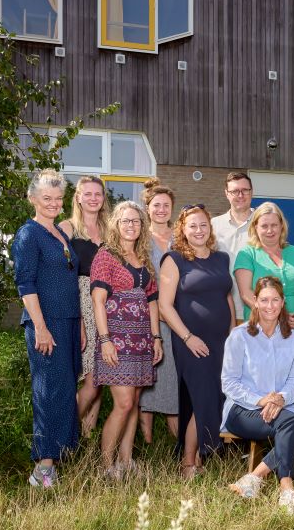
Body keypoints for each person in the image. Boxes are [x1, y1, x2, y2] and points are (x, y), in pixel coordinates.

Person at [222, 277, 294, 515]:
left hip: (281, 409)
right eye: (264, 300)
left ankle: (254, 478)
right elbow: (229, 382)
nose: (270, 305)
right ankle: (287, 489)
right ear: (255, 302)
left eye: (275, 300)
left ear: (283, 302)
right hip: (242, 409)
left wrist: (280, 399)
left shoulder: (293, 338)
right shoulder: (240, 335)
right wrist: (262, 400)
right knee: (292, 421)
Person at [12, 169, 82, 488]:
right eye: (46, 199)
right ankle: (42, 467)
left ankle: (57, 456)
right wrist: (40, 327)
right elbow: (25, 284)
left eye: (57, 198)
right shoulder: (29, 233)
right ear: (33, 199)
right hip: (46, 324)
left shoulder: (61, 234)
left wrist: (78, 324)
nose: (53, 203)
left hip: (68, 322)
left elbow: (69, 280)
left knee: (66, 390)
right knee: (48, 391)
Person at [159, 204, 236, 479]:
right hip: (191, 342)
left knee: (216, 396)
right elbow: (165, 306)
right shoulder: (174, 259)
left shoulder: (221, 259)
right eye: (192, 225)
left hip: (221, 342)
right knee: (203, 398)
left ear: (210, 228)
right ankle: (188, 463)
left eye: (203, 224)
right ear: (183, 229)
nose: (199, 230)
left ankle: (199, 457)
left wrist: (232, 336)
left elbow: (226, 298)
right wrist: (188, 338)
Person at [90, 201, 163, 479]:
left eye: (136, 221)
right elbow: (98, 301)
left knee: (133, 402)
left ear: (142, 226)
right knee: (122, 404)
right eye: (125, 221)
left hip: (142, 338)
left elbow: (152, 301)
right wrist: (105, 339)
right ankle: (106, 466)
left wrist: (156, 337)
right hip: (116, 339)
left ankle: (126, 460)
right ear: (115, 225)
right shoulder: (106, 256)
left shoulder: (144, 258)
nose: (131, 225)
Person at [234, 203, 294, 400]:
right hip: (262, 330)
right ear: (255, 228)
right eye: (264, 226)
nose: (270, 230)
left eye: (274, 225)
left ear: (282, 227)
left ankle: (292, 425)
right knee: (263, 384)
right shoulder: (247, 254)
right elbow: (246, 293)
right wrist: (276, 317)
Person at [57, 175, 108, 437]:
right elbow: (62, 274)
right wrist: (76, 318)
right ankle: (62, 433)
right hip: (81, 303)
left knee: (101, 378)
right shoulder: (67, 228)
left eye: (97, 193)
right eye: (86, 193)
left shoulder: (110, 229)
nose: (92, 198)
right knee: (90, 377)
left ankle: (85, 437)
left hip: (108, 307)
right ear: (77, 197)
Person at [138, 178, 179, 441]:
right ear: (148, 208)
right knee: (148, 377)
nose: (161, 210)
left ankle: (176, 440)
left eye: (166, 205)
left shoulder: (181, 237)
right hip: (147, 316)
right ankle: (149, 441)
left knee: (170, 375)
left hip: (177, 316)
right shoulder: (140, 239)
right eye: (156, 205)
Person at [211, 172, 256, 317]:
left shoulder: (263, 223)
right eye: (235, 191)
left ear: (252, 192)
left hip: (258, 310)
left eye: (245, 190)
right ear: (226, 194)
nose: (240, 195)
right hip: (223, 310)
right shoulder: (213, 226)